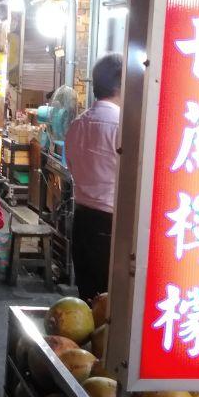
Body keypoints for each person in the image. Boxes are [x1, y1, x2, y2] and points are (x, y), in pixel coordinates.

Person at [64, 52, 123, 304]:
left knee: (86, 301)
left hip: (82, 222)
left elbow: (72, 166)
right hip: (111, 226)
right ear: (120, 85)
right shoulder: (122, 126)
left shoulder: (78, 124)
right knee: (109, 305)